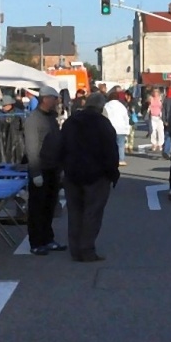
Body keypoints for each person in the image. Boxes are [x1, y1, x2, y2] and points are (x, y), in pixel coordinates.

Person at [59, 92, 120, 262]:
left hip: (72, 173)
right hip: (96, 174)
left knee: (75, 211)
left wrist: (62, 168)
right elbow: (111, 152)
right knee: (92, 212)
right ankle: (86, 249)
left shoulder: (71, 122)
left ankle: (75, 249)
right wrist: (112, 173)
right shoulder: (103, 124)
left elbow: (61, 145)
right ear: (101, 107)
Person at [22, 89, 66, 255]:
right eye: (54, 98)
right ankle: (36, 241)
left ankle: (48, 238)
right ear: (46, 99)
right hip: (41, 168)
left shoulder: (51, 118)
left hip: (53, 168)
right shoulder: (34, 119)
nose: (56, 101)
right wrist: (35, 172)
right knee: (37, 208)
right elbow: (32, 148)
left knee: (49, 207)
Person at [102, 89, 132, 166]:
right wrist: (127, 127)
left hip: (110, 127)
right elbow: (126, 117)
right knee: (121, 144)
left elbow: (104, 116)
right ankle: (121, 159)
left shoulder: (106, 105)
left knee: (110, 145)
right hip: (121, 128)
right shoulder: (122, 106)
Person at [147, 89, 165, 154]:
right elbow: (148, 105)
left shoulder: (161, 98)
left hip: (159, 117)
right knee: (153, 131)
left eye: (157, 92)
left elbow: (163, 107)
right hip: (153, 116)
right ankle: (154, 143)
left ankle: (160, 144)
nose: (155, 93)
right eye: (154, 92)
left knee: (160, 131)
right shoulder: (150, 98)